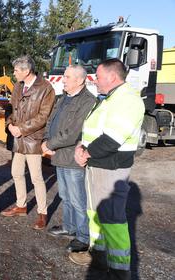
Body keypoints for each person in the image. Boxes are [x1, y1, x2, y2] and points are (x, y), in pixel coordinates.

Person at [71, 58, 144, 280]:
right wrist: (80, 147)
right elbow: (92, 130)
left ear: (112, 77)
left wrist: (86, 153)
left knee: (113, 219)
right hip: (97, 164)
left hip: (110, 168)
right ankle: (99, 258)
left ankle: (120, 270)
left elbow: (112, 138)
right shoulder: (109, 98)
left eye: (99, 77)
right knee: (95, 213)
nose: (95, 81)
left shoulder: (128, 100)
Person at [41, 65, 96, 253]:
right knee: (65, 196)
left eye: (67, 77)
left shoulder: (88, 101)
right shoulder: (64, 97)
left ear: (80, 80)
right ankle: (69, 227)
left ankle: (83, 237)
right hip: (59, 156)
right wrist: (47, 140)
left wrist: (50, 145)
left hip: (73, 158)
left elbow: (73, 133)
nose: (63, 80)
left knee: (77, 199)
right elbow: (51, 120)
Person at [1, 55, 55, 230]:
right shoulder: (18, 86)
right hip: (17, 137)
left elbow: (43, 117)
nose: (14, 73)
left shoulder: (46, 88)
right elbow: (11, 108)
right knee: (16, 172)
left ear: (26, 71)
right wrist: (9, 124)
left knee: (36, 177)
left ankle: (42, 213)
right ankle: (21, 205)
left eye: (16, 70)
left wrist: (21, 129)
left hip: (33, 139)